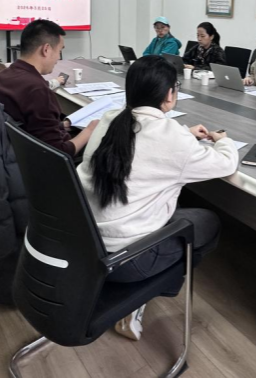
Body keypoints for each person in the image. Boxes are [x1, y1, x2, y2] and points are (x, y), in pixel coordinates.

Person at [78, 55, 237, 340]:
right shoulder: (171, 137)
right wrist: (223, 140)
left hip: (84, 246)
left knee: (172, 204)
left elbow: (145, 142)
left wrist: (184, 136)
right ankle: (138, 297)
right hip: (126, 262)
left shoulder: (110, 119)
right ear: (170, 94)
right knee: (209, 221)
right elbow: (226, 164)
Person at [0, 19, 96, 157]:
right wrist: (90, 130)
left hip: (16, 151)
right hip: (43, 160)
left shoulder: (2, 76)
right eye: (59, 51)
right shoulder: (37, 90)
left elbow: (29, 123)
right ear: (46, 49)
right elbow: (59, 153)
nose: (58, 58)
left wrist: (60, 125)